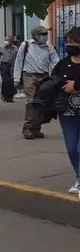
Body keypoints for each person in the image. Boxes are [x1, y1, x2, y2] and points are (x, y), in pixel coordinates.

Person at [13, 25, 59, 139]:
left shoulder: (49, 47)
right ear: (35, 36)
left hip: (44, 76)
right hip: (29, 75)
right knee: (31, 101)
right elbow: (19, 61)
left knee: (41, 102)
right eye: (42, 34)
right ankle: (27, 128)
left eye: (46, 34)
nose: (45, 36)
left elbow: (55, 62)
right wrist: (17, 79)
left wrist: (55, 78)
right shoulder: (26, 45)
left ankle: (36, 128)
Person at [51, 27, 80, 194]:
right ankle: (79, 177)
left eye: (74, 42)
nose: (70, 45)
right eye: (68, 42)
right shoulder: (62, 64)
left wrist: (76, 85)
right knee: (72, 148)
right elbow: (53, 82)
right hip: (68, 112)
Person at [0, 36, 19, 102]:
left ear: (11, 41)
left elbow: (19, 58)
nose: (6, 42)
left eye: (8, 40)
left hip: (12, 66)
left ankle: (10, 97)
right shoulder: (1, 48)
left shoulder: (16, 48)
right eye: (5, 40)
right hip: (4, 65)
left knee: (11, 81)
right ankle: (4, 94)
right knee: (5, 81)